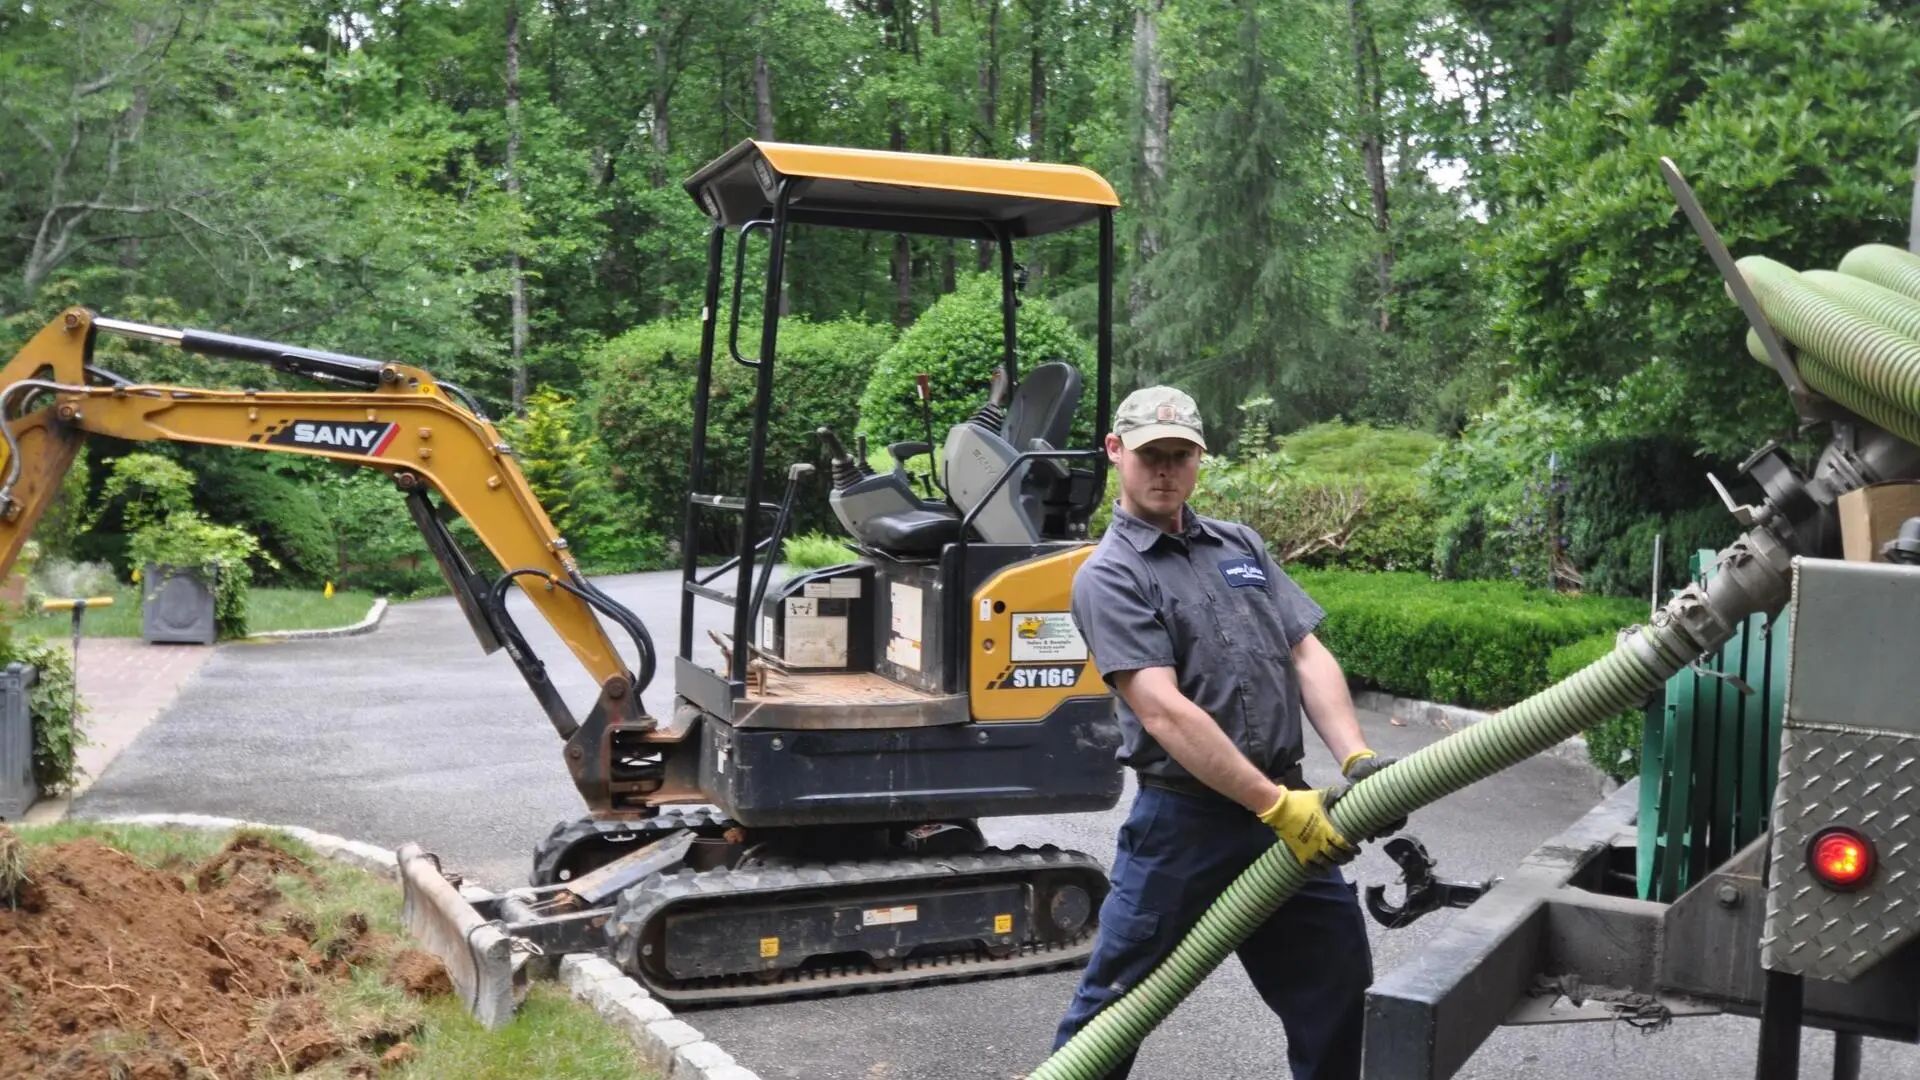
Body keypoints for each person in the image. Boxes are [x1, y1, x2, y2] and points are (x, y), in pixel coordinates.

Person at [1051, 385, 1400, 1080]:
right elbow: (1161, 709)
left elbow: (1305, 652)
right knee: (1116, 1007)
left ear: (1200, 460)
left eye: (1181, 455)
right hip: (1187, 825)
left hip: (1289, 811)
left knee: (1337, 983)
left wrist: (1355, 756)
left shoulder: (1239, 545)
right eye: (1151, 454)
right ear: (1116, 452)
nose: (1166, 470)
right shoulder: (1111, 574)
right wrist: (1274, 806)